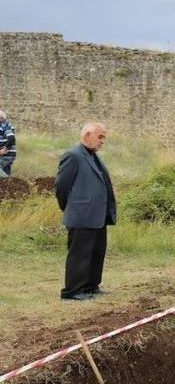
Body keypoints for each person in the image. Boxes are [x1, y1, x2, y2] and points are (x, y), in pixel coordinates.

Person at [54, 122, 116, 301]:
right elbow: (61, 186)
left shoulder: (93, 156)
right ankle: (72, 291)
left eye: (104, 137)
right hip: (81, 215)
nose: (102, 141)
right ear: (88, 135)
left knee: (97, 252)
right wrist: (69, 207)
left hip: (97, 216)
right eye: (100, 137)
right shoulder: (73, 156)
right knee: (80, 255)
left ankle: (91, 286)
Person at [0, 110, 16, 177]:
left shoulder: (5, 126)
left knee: (3, 177)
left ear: (1, 118)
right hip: (7, 155)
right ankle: (8, 182)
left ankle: (6, 180)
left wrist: (5, 149)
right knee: (6, 173)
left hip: (6, 155)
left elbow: (11, 138)